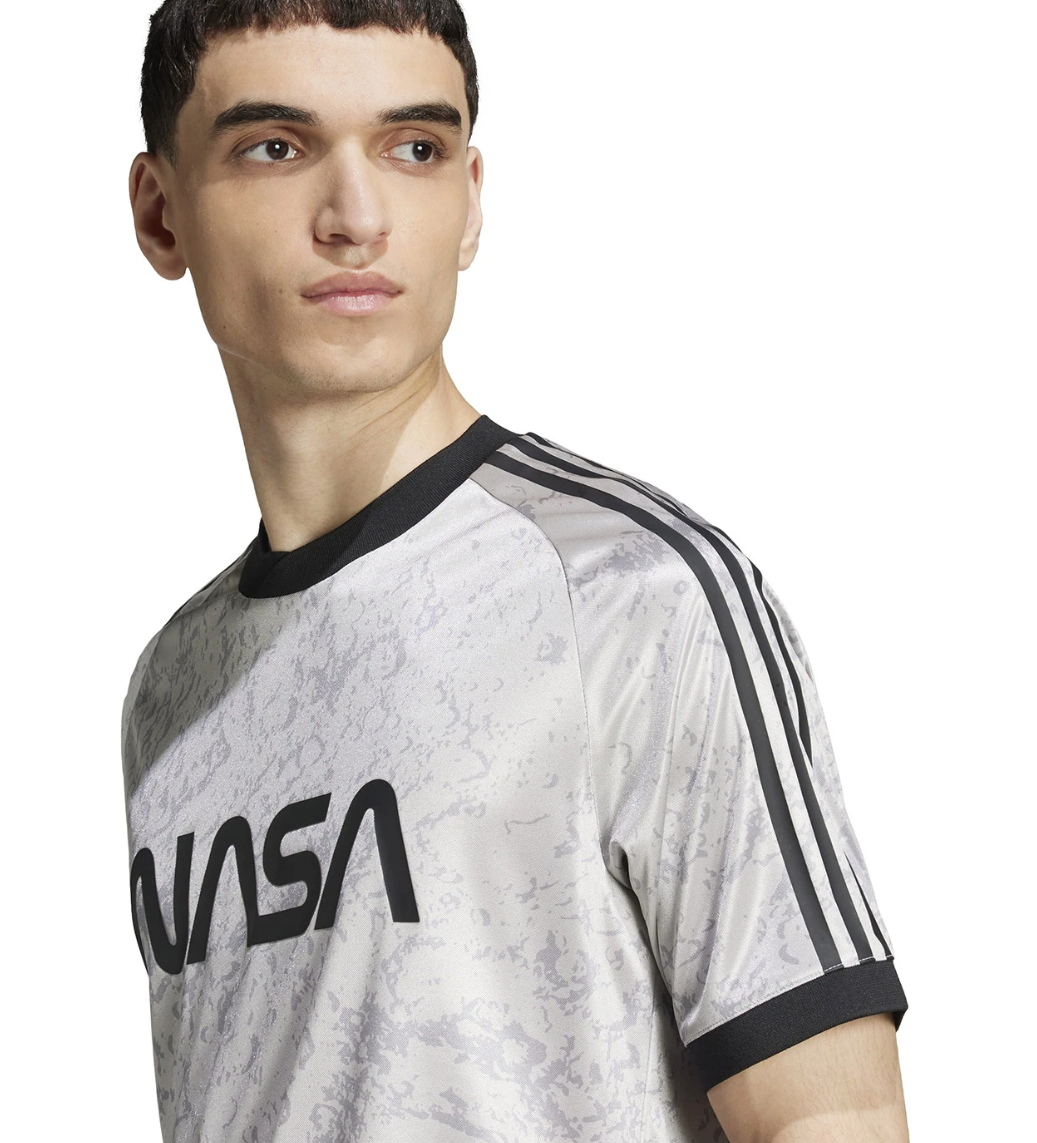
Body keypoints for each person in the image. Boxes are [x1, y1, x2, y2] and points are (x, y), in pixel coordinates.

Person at [123, 2, 910, 1140]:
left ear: (471, 200)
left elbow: (831, 1120)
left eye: (413, 148)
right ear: (161, 213)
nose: (356, 217)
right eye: (276, 148)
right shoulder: (171, 687)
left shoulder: (633, 595)